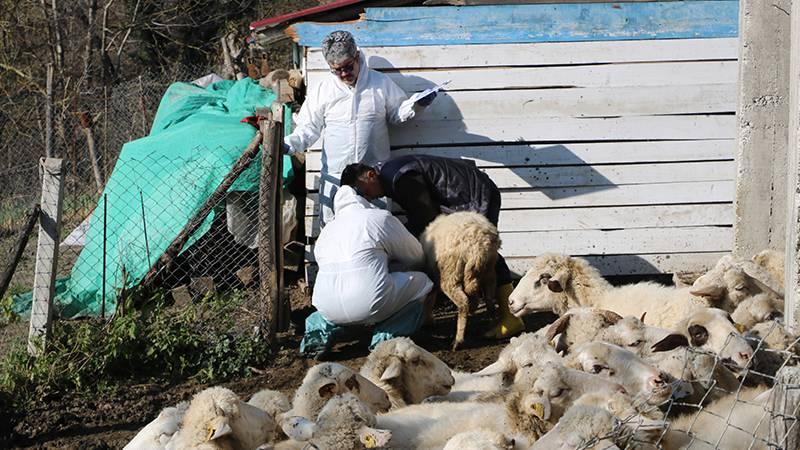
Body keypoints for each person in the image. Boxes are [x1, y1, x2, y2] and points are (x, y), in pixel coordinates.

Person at [339, 154, 525, 339]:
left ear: (371, 175)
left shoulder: (400, 178)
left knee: (482, 250)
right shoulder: (392, 175)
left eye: (363, 191)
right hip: (467, 193)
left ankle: (511, 317)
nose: (367, 198)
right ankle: (433, 315)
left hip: (473, 194)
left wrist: (397, 238)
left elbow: (426, 215)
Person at [283, 30, 436, 224]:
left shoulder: (379, 83)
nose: (344, 74)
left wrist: (416, 105)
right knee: (334, 230)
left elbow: (397, 113)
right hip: (336, 177)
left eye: (348, 67)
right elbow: (308, 127)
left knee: (376, 228)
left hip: (373, 180)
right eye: (337, 70)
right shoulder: (323, 90)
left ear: (357, 56)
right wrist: (291, 144)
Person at [300, 185, 434, 358]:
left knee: (327, 310)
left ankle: (316, 336)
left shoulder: (326, 231)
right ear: (362, 199)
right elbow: (415, 256)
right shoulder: (378, 218)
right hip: (371, 301)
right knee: (424, 282)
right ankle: (385, 339)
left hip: (327, 306)